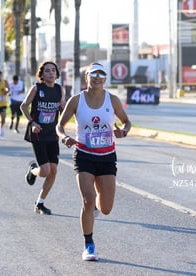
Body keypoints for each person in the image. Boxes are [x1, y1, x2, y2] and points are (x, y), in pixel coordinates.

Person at [56, 62, 131, 261]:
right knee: (87, 201)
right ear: (86, 77)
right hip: (84, 155)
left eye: (101, 74)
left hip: (107, 157)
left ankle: (96, 207)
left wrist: (122, 132)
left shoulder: (112, 100)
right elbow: (60, 126)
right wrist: (64, 137)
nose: (97, 77)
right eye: (93, 74)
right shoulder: (76, 100)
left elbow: (127, 121)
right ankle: (88, 244)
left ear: (105, 78)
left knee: (106, 209)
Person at [20, 61, 65, 215]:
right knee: (45, 171)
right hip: (38, 133)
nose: (51, 73)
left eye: (53, 70)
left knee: (53, 171)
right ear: (42, 74)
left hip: (52, 134)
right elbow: (23, 106)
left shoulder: (60, 89)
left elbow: (62, 107)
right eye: (47, 71)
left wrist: (64, 109)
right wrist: (32, 122)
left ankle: (40, 203)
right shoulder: (36, 88)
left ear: (57, 73)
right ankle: (33, 171)